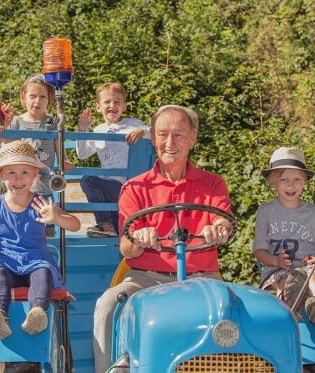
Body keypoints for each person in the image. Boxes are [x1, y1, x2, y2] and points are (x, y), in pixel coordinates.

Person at [92, 105, 234, 372]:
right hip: (146, 277)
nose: (170, 143)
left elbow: (222, 219)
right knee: (108, 304)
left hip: (199, 276)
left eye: (179, 134)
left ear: (193, 137)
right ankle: (109, 367)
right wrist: (138, 238)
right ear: (154, 138)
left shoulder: (212, 183)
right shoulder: (135, 187)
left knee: (230, 309)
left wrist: (218, 228)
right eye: (163, 134)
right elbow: (126, 247)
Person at [0, 140, 80, 340]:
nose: (18, 179)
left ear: (35, 174)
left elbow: (75, 224)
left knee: (43, 272)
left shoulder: (42, 203)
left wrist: (56, 218)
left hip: (35, 259)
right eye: (11, 173)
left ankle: (37, 313)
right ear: (1, 176)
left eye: (25, 172)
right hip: (4, 260)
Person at [253, 146, 315, 340]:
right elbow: (259, 250)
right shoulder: (265, 212)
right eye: (283, 179)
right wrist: (275, 261)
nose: (290, 185)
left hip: (312, 270)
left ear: (305, 182)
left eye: (296, 180)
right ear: (273, 182)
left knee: (311, 278)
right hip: (279, 273)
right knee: (289, 280)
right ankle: (292, 308)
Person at [76, 82, 149, 238]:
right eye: (107, 102)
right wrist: (82, 130)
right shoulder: (98, 130)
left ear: (124, 106)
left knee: (90, 181)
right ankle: (108, 226)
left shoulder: (133, 124)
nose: (112, 105)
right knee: (88, 180)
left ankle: (106, 224)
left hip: (128, 185)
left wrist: (143, 131)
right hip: (110, 188)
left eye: (117, 102)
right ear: (98, 107)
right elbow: (82, 154)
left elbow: (155, 132)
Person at [9, 74, 74, 236]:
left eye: (42, 97)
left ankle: (48, 246)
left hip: (45, 179)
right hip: (23, 180)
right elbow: (9, 146)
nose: (37, 101)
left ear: (49, 100)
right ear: (24, 97)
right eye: (32, 96)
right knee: (23, 218)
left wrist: (64, 158)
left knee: (46, 218)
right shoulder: (17, 121)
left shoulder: (52, 122)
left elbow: (58, 143)